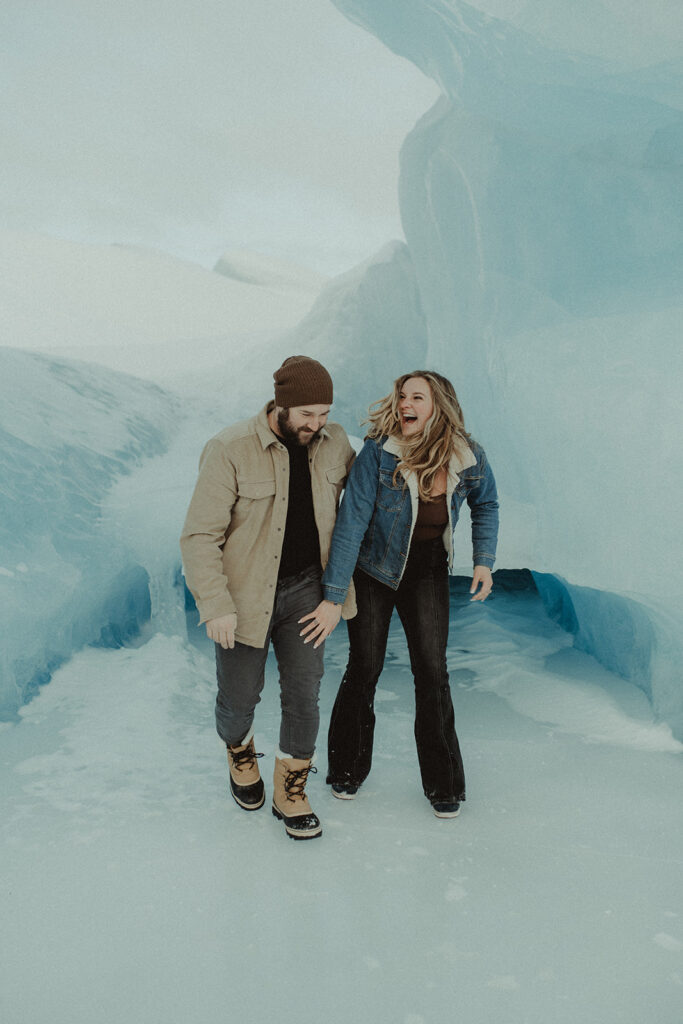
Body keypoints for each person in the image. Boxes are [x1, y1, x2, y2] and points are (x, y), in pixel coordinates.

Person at [300, 371, 499, 818]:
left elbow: (486, 501)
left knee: (432, 671)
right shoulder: (379, 452)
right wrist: (334, 595)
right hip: (374, 569)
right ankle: (345, 771)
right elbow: (351, 522)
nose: (405, 403)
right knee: (364, 666)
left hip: (427, 569)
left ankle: (444, 785)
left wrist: (483, 559)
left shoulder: (467, 455)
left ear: (438, 405)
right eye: (402, 396)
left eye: (416, 397)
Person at [180, 356, 355, 840]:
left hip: (306, 591)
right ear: (281, 404)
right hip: (244, 595)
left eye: (324, 412)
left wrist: (337, 595)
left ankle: (291, 790)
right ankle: (239, 753)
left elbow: (359, 512)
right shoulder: (231, 448)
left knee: (304, 694)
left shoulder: (335, 442)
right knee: (239, 699)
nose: (316, 424)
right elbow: (199, 536)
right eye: (306, 414)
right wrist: (214, 604)